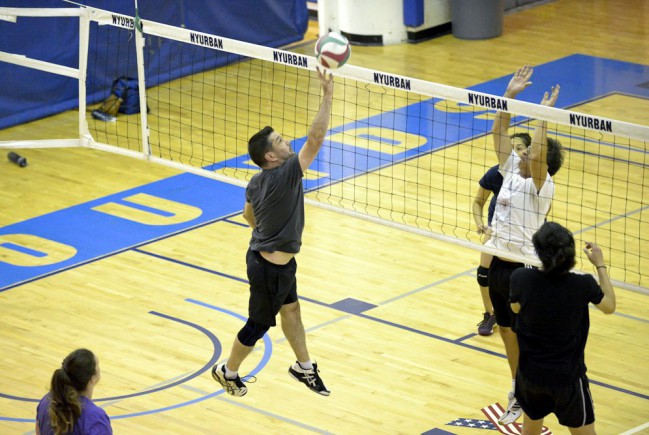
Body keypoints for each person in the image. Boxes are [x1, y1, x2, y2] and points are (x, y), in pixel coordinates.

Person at [212, 67, 334, 397]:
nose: (287, 142)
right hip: (269, 269)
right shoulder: (286, 175)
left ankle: (303, 367)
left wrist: (268, 234)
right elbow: (316, 139)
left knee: (291, 309)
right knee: (259, 325)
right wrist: (327, 95)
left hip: (275, 262)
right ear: (270, 156)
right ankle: (228, 371)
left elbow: (246, 215)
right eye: (281, 141)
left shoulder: (255, 182)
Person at [485, 65, 565, 424]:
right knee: (505, 331)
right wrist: (509, 95)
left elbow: (539, 154)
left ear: (543, 165)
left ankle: (537, 390)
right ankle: (518, 390)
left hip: (525, 270)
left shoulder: (540, 185)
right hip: (500, 263)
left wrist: (543, 118)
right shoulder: (509, 170)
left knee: (526, 336)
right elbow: (498, 131)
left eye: (531, 152)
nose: (523, 152)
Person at [510, 222, 615, 434]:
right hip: (567, 379)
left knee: (530, 430)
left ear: (539, 253)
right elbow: (609, 306)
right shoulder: (583, 285)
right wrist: (600, 265)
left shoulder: (521, 278)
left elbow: (515, 308)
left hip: (531, 376)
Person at [472, 133, 531, 336]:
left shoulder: (531, 178)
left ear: (529, 151)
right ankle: (490, 314)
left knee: (523, 276)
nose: (518, 151)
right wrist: (481, 224)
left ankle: (526, 313)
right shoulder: (495, 174)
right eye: (513, 147)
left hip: (522, 236)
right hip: (496, 232)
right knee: (483, 272)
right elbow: (478, 201)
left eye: (521, 147)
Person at [36, 348, 112, 435]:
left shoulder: (46, 401)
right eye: (97, 365)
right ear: (92, 378)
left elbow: (38, 431)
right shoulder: (95, 419)